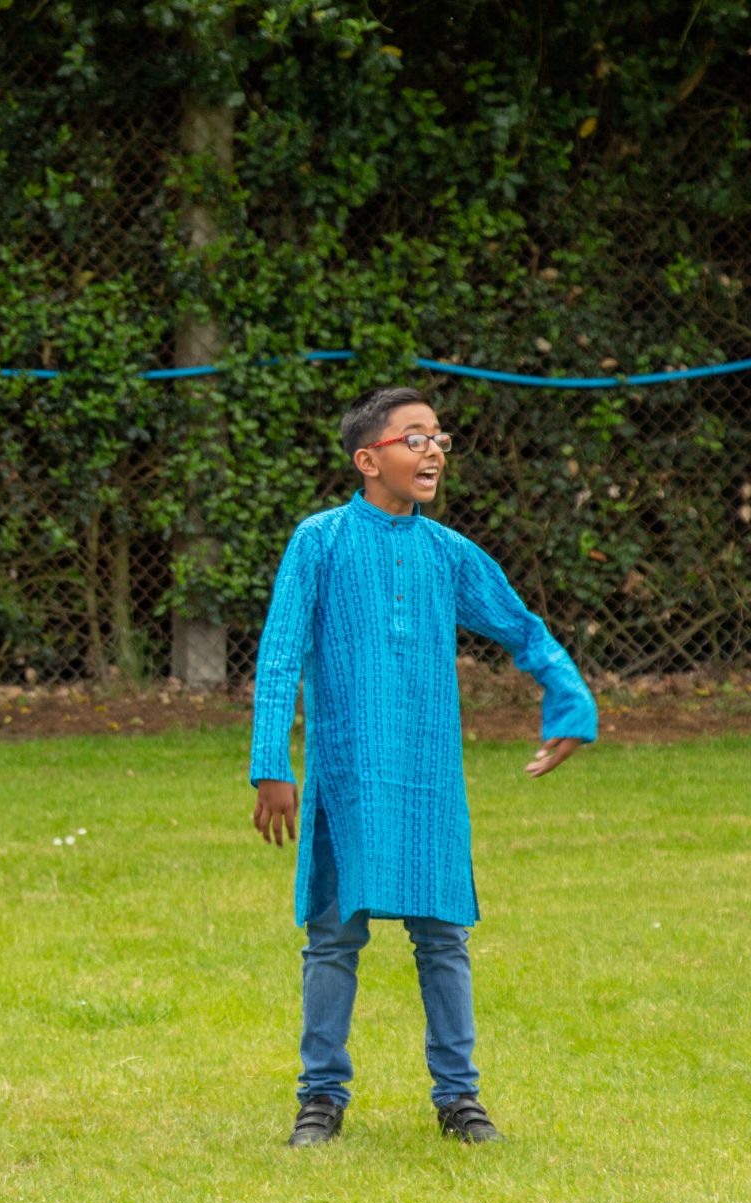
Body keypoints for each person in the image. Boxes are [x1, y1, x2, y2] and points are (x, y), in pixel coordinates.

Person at [249, 385, 598, 1148]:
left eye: (439, 436)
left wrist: (570, 701)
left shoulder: (448, 554)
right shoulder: (320, 541)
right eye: (414, 437)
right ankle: (320, 1097)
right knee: (333, 940)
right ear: (367, 459)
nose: (433, 448)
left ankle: (460, 1100)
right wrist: (271, 761)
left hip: (431, 780)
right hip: (346, 778)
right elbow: (278, 655)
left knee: (443, 938)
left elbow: (523, 629)